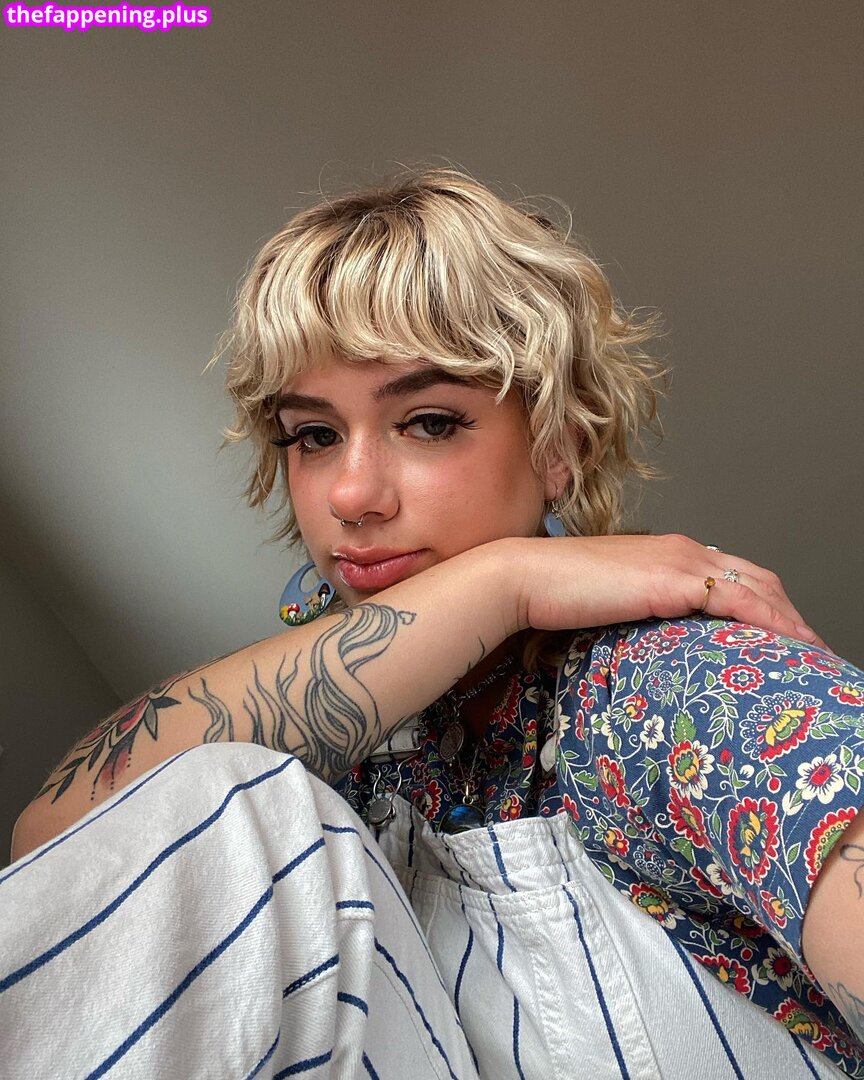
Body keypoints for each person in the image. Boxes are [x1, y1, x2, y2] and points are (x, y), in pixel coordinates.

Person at [4, 167, 864, 1079]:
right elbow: (63, 852)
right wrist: (504, 579)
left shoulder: (679, 688)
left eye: (427, 422)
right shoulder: (358, 744)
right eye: (314, 435)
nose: (351, 494)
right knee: (229, 793)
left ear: (558, 448)